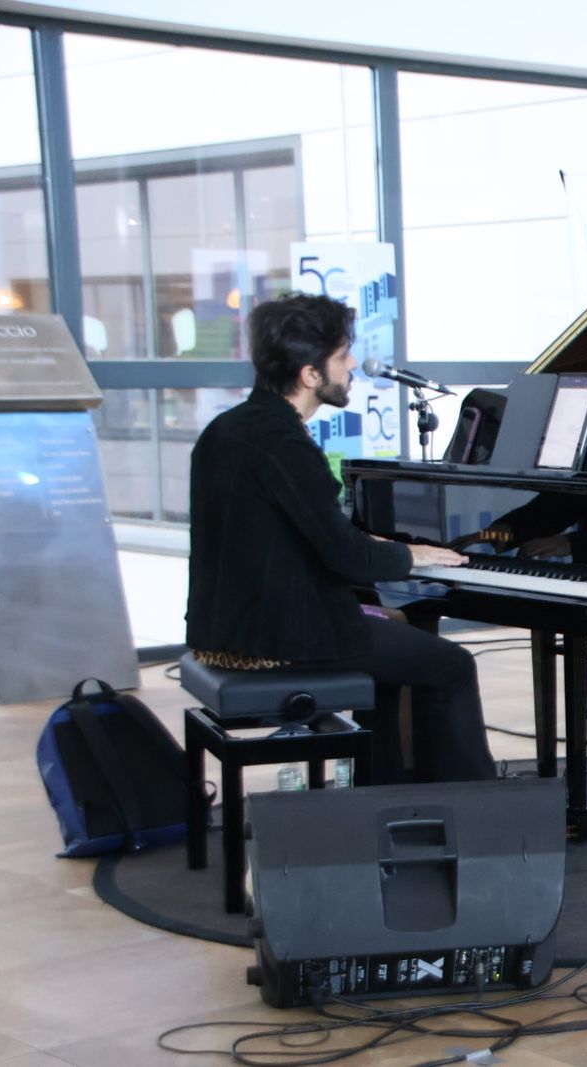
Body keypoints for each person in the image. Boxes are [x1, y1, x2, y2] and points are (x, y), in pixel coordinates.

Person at [186, 293, 498, 783]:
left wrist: (382, 555)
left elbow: (294, 539)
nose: (353, 365)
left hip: (220, 630)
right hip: (276, 640)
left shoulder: (227, 429)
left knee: (395, 641)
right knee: (452, 666)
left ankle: (386, 788)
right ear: (310, 375)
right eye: (341, 356)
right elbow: (346, 556)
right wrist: (406, 554)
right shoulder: (286, 445)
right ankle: (478, 808)